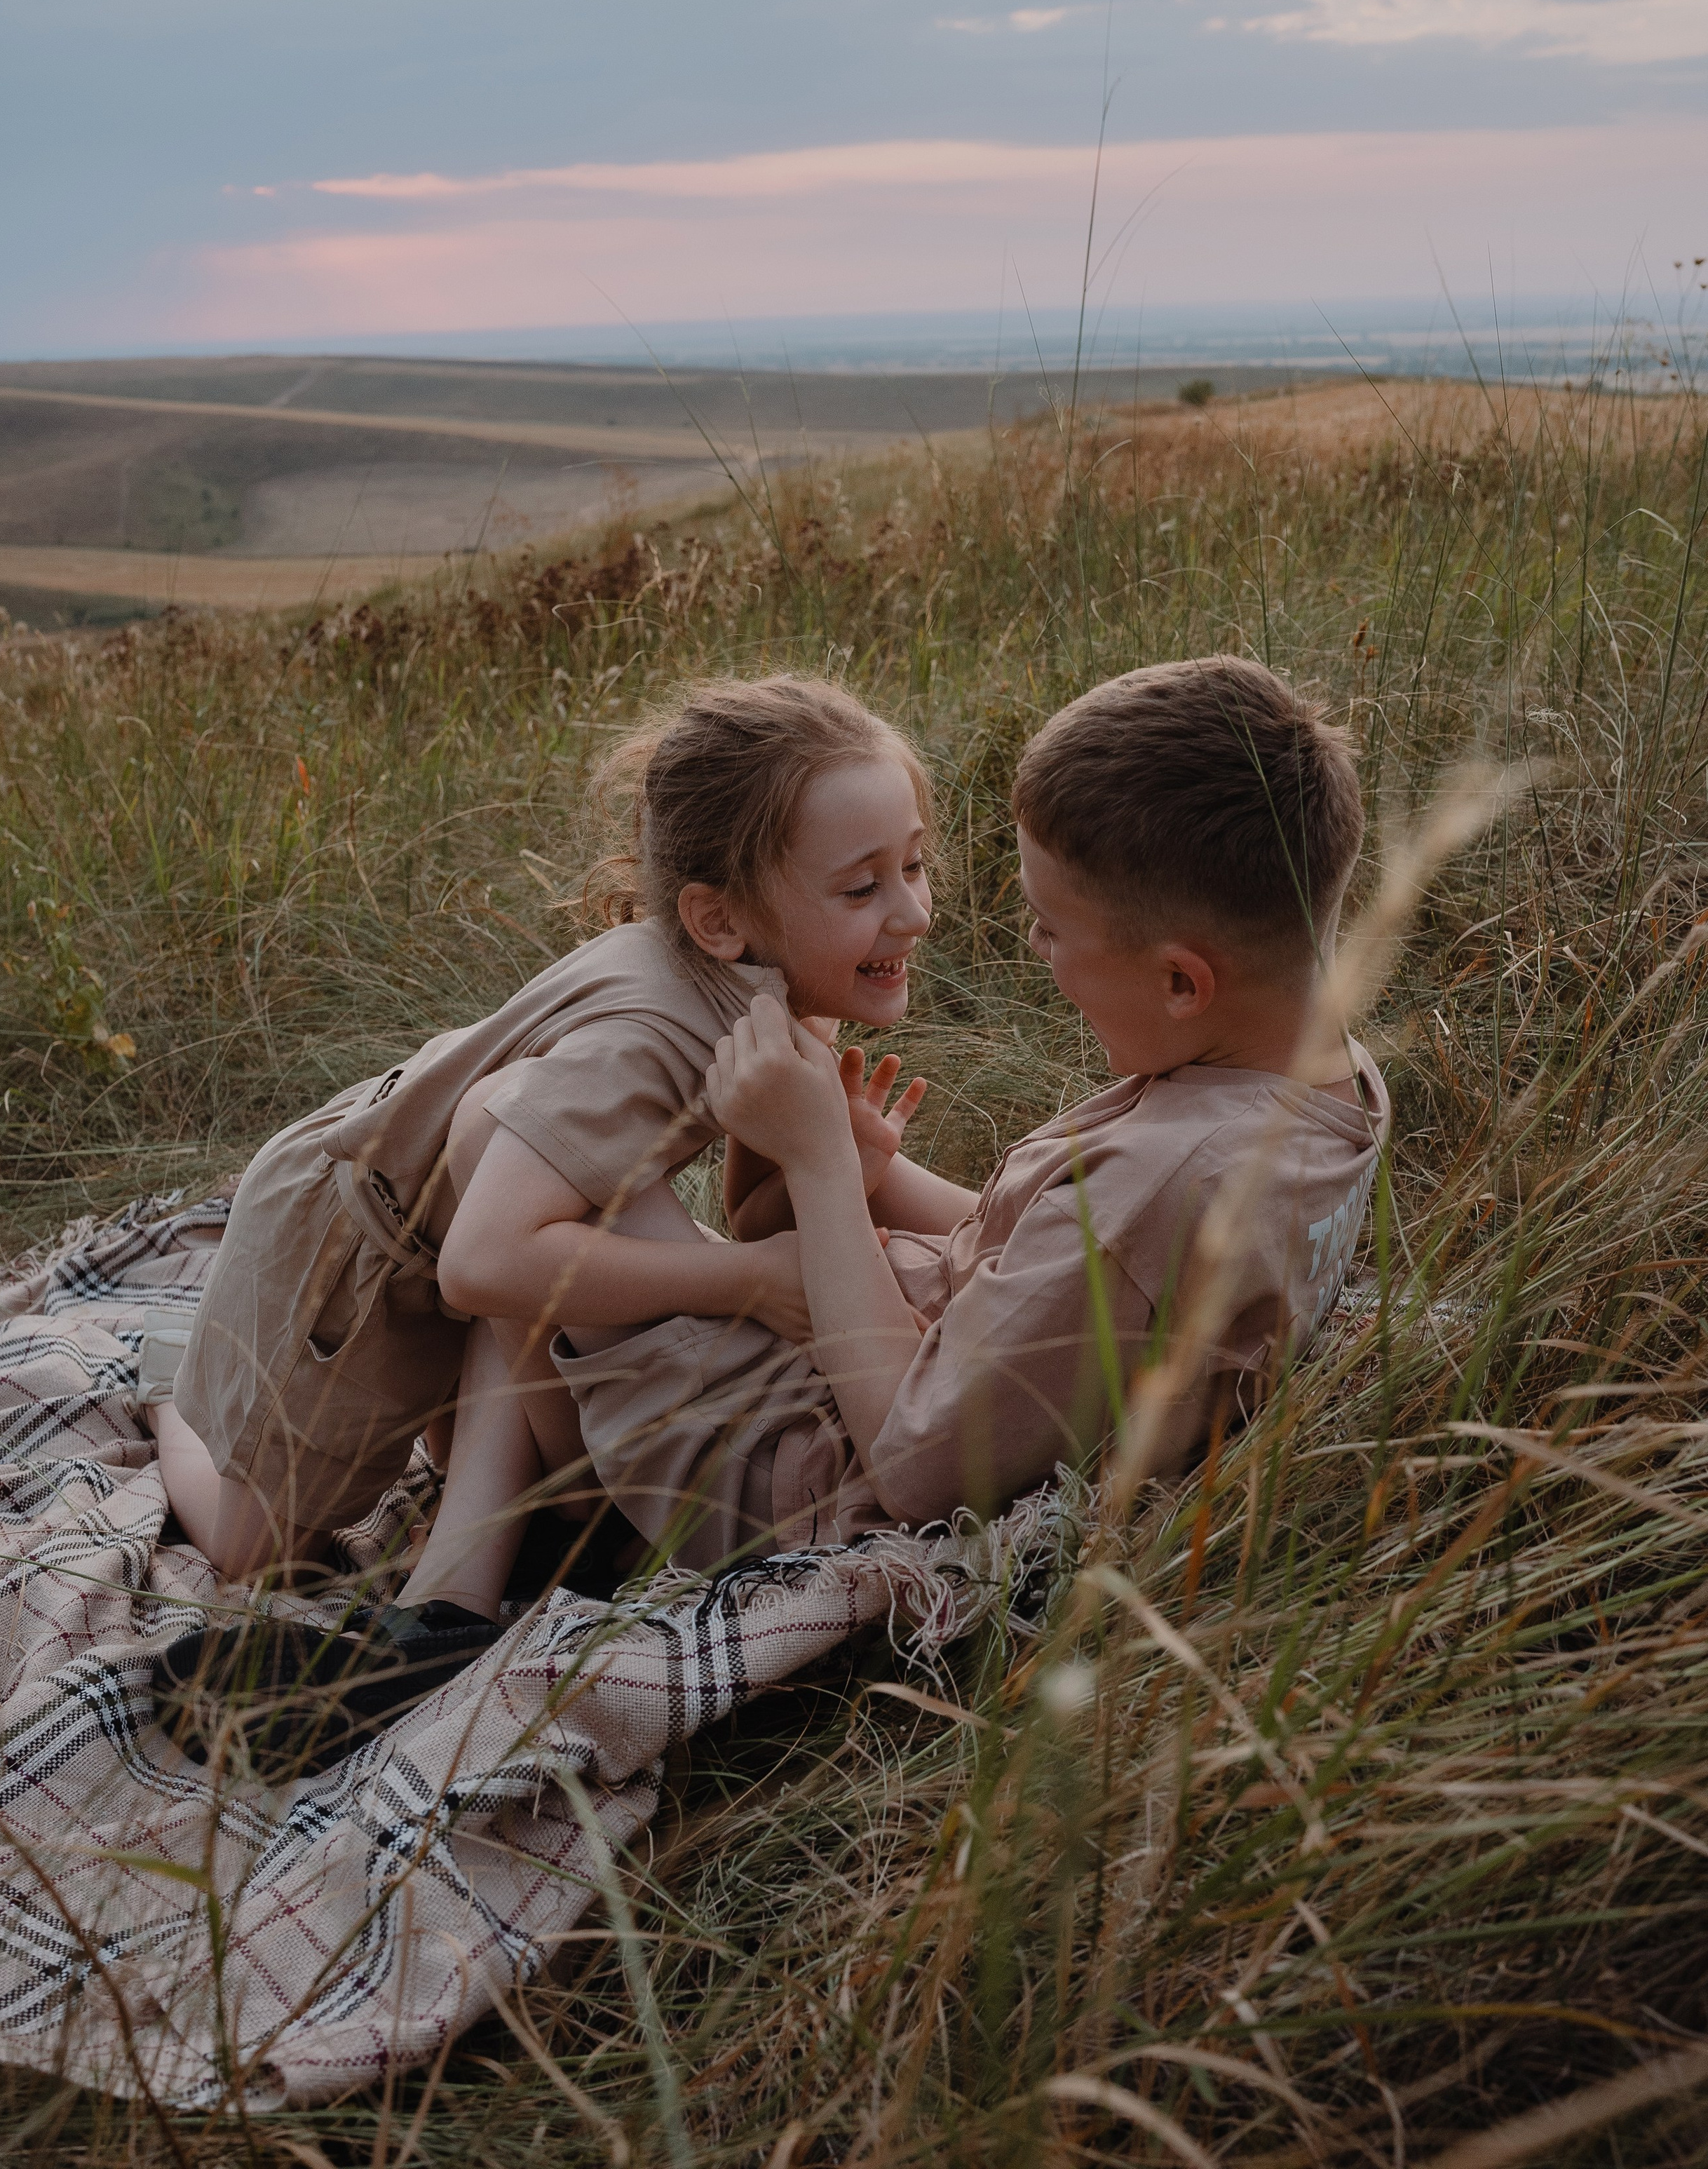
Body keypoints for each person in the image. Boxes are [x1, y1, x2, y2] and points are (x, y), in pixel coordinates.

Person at [149, 672, 933, 1736]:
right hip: (352, 1247)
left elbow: (734, 1206)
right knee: (258, 1550)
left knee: (533, 1255)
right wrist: (748, 1280)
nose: (913, 912)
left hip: (481, 1242)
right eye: (863, 888)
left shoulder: (783, 990)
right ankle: (165, 1390)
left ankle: (459, 1595)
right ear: (720, 919)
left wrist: (840, 1166)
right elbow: (481, 1263)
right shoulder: (642, 1041)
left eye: (914, 865)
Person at [557, 654, 1389, 1564]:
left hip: (806, 1477)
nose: (1034, 945)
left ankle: (544, 1558)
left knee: (563, 1190)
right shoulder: (1326, 1084)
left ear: (1182, 983)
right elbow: (1077, 1262)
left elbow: (911, 1465)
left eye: (1051, 927)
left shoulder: (1176, 1177)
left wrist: (822, 1165)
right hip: (903, 1345)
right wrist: (864, 1174)